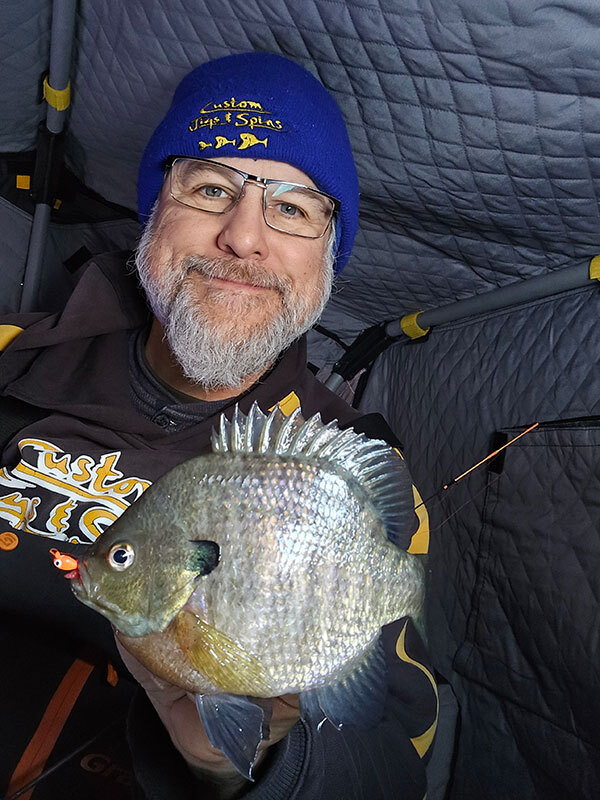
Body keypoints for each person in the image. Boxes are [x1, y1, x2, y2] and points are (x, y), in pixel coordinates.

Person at [0, 52, 438, 799]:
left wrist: (250, 761)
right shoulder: (13, 360)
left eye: (294, 207)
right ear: (154, 215)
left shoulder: (352, 470)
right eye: (210, 187)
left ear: (327, 259)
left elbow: (394, 767)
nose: (243, 236)